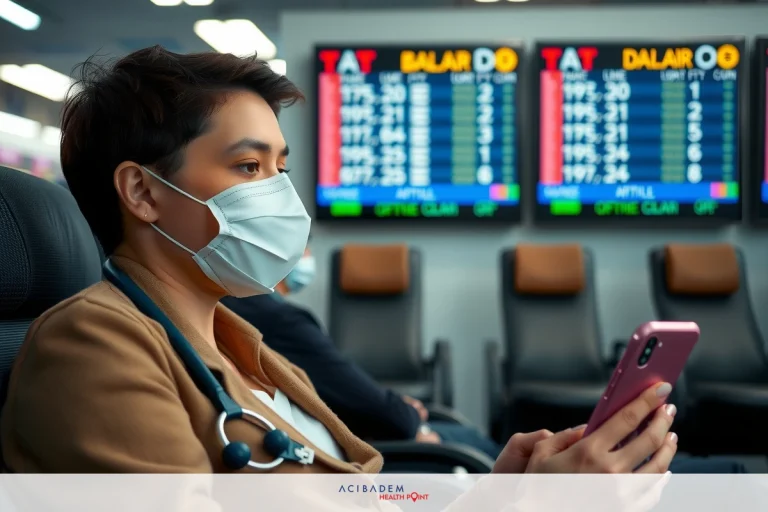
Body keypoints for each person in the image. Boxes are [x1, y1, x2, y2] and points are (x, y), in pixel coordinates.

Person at [1, 46, 679, 476]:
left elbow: (364, 498)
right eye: (247, 165)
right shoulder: (90, 345)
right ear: (144, 192)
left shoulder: (251, 351)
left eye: (279, 168)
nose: (279, 194)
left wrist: (500, 492)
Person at [223, 242, 747, 474]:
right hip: (399, 445)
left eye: (281, 167)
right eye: (250, 166)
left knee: (508, 448)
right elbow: (357, 400)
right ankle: (718, 475)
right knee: (488, 446)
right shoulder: (266, 317)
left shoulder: (240, 319)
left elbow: (329, 389)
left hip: (401, 440)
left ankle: (712, 472)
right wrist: (410, 419)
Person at [221, 243, 503, 460]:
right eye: (304, 246)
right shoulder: (281, 321)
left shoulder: (229, 305)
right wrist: (407, 415)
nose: (307, 255)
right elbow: (384, 415)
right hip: (365, 441)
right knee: (480, 445)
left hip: (353, 422)